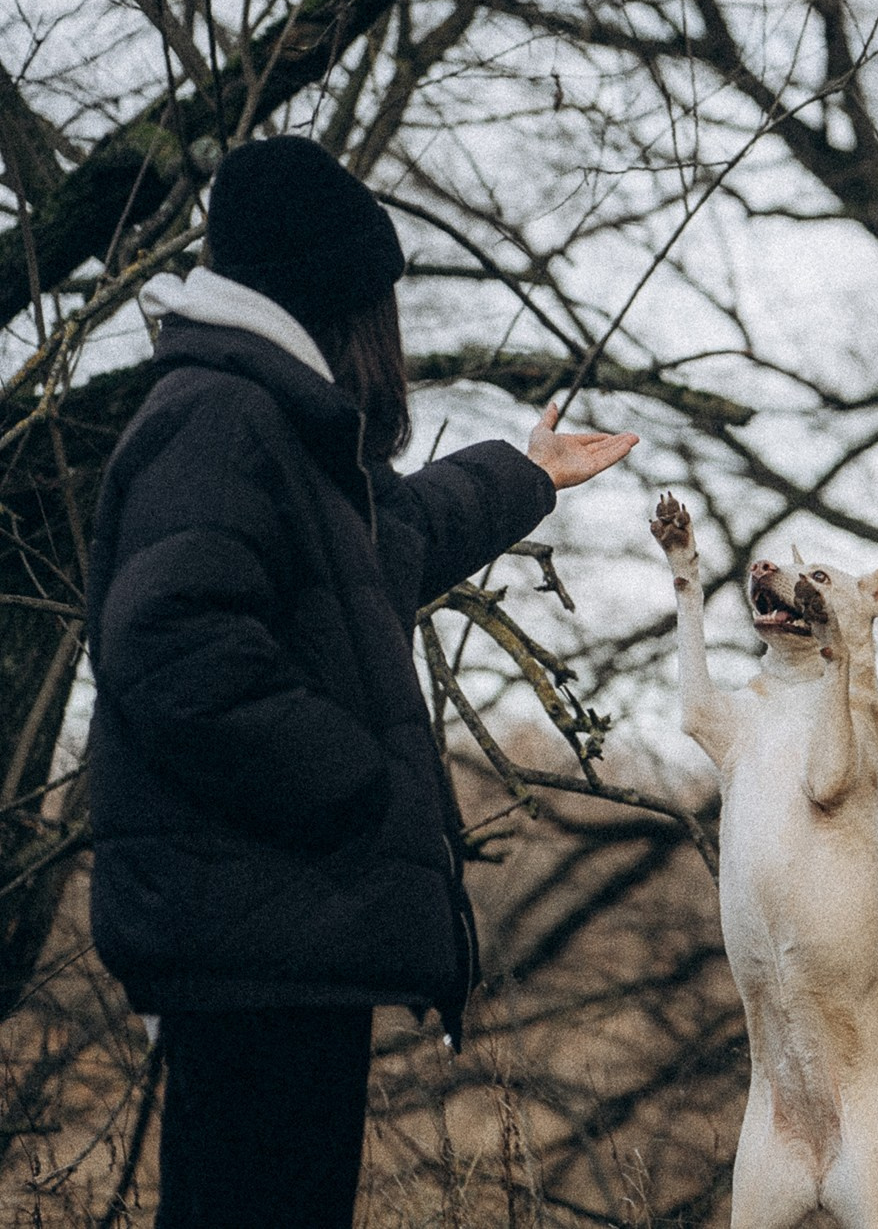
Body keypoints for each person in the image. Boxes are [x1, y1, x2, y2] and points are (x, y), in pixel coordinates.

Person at [82, 135, 638, 1227]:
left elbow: (388, 539)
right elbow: (173, 645)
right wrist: (352, 779)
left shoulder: (264, 421)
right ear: (334, 299)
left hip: (276, 950)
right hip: (258, 954)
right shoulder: (221, 416)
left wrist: (526, 473)